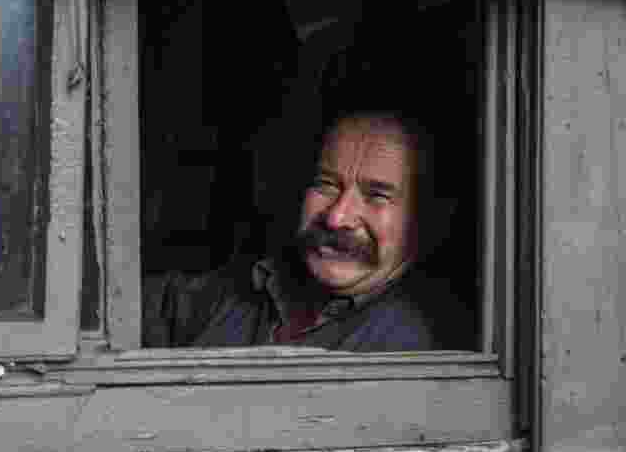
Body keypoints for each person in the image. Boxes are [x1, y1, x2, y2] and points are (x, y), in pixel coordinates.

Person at [143, 108, 464, 351]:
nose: (337, 218)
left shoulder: (418, 344)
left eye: (376, 195)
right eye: (326, 185)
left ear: (428, 218)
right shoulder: (252, 284)